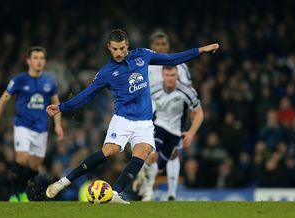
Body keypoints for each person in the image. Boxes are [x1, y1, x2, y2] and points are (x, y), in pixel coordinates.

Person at [45, 29, 218, 204]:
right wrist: (62, 107)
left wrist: (200, 50)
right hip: (123, 119)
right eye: (115, 49)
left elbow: (171, 59)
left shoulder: (143, 55)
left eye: (121, 48)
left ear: (127, 45)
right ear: (109, 48)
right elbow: (87, 95)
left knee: (143, 152)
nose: (119, 53)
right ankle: (64, 182)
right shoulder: (107, 72)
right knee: (109, 152)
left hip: (144, 121)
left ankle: (115, 194)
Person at [0, 46, 64, 202]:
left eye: (41, 58)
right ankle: (12, 194)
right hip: (23, 125)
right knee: (22, 159)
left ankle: (21, 190)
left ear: (45, 61)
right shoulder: (19, 80)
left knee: (35, 166)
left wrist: (57, 125)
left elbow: (55, 104)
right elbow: (3, 101)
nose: (38, 61)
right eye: (35, 58)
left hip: (41, 128)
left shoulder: (49, 81)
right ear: (28, 61)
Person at [134, 31, 196, 201]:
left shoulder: (180, 65)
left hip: (175, 111)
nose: (161, 47)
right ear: (151, 46)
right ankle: (145, 187)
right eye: (157, 45)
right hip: (151, 110)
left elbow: (189, 88)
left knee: (174, 152)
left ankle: (171, 194)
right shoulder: (145, 64)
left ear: (168, 46)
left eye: (163, 45)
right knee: (148, 149)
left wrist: (189, 114)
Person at [138, 65, 204, 201]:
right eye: (167, 75)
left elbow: (199, 113)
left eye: (173, 75)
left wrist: (191, 133)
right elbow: (141, 105)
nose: (170, 78)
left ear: (177, 76)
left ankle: (142, 174)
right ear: (162, 76)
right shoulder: (154, 90)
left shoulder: (186, 91)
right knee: (152, 155)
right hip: (159, 125)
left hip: (175, 131)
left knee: (160, 167)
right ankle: (147, 192)